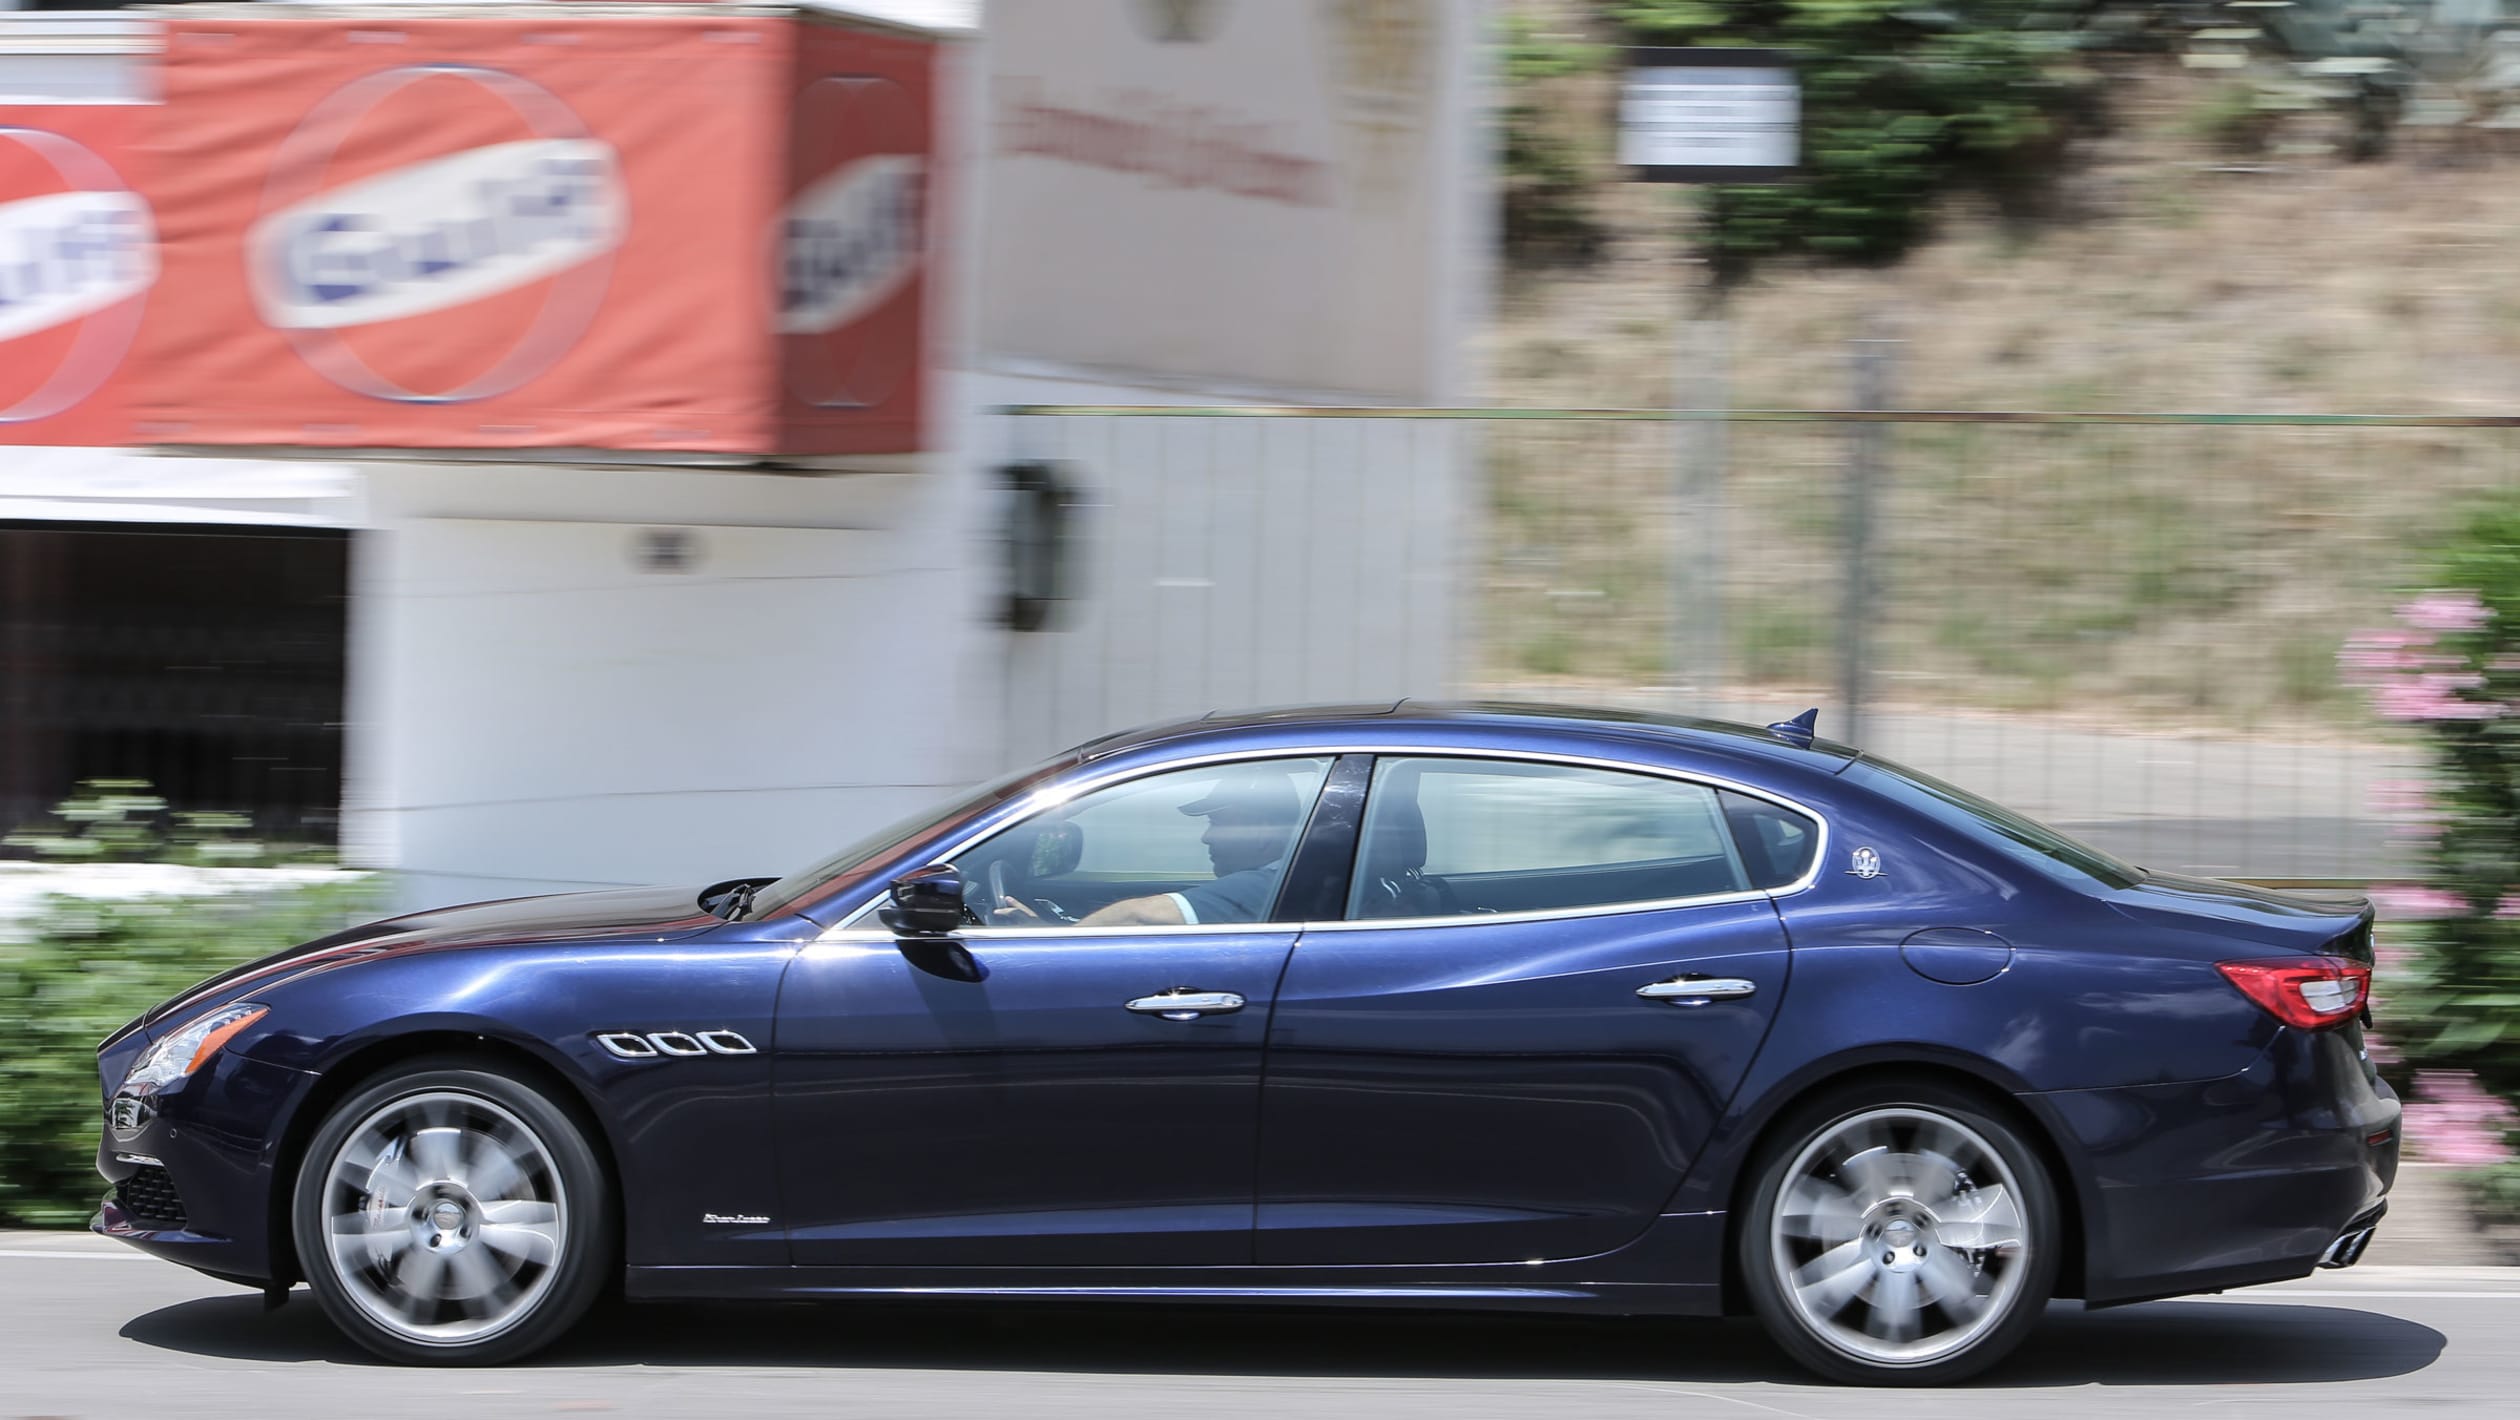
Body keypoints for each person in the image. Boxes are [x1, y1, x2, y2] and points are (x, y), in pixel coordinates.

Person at [989, 767, 1304, 927]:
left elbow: (1138, 916)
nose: (1206, 837)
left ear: (1263, 833)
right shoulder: (1280, 882)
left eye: (1219, 823)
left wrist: (1048, 941)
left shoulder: (1264, 886)